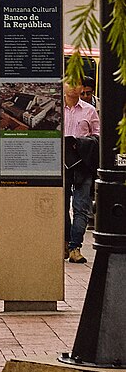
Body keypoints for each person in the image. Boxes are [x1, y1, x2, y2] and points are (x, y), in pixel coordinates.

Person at [64, 82, 102, 263]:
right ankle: (65, 241)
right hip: (61, 165)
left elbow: (98, 136)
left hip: (82, 165)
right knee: (60, 207)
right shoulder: (55, 109)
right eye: (69, 83)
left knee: (81, 207)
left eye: (76, 84)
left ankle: (75, 246)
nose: (72, 87)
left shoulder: (89, 111)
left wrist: (82, 143)